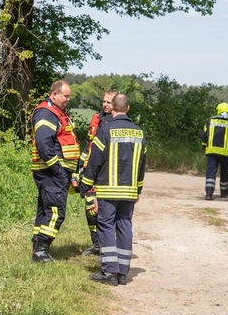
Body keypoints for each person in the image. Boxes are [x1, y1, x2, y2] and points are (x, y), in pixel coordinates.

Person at [80, 93, 146, 286]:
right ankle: (123, 273)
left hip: (108, 190)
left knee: (106, 225)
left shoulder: (106, 130)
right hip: (129, 191)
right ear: (128, 108)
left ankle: (110, 272)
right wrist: (138, 190)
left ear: (113, 108)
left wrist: (86, 184)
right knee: (125, 225)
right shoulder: (139, 133)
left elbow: (95, 161)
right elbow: (142, 165)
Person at [29, 80, 80, 263]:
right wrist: (57, 169)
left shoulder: (56, 113)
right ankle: (41, 250)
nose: (68, 99)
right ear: (54, 94)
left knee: (45, 209)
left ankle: (38, 248)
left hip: (52, 171)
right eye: (66, 96)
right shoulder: (46, 113)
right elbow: (44, 143)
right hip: (51, 171)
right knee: (56, 210)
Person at [76, 90, 118, 257]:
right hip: (90, 169)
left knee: (105, 210)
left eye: (109, 102)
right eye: (104, 101)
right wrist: (81, 164)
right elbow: (89, 144)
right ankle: (96, 244)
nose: (105, 105)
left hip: (106, 171)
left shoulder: (116, 122)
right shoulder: (96, 118)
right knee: (90, 208)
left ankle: (106, 243)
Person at [201, 102, 228, 200]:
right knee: (224, 171)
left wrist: (204, 147)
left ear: (218, 110)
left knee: (211, 171)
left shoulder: (210, 122)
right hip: (225, 154)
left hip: (211, 152)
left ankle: (209, 193)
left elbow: (203, 136)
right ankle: (224, 192)